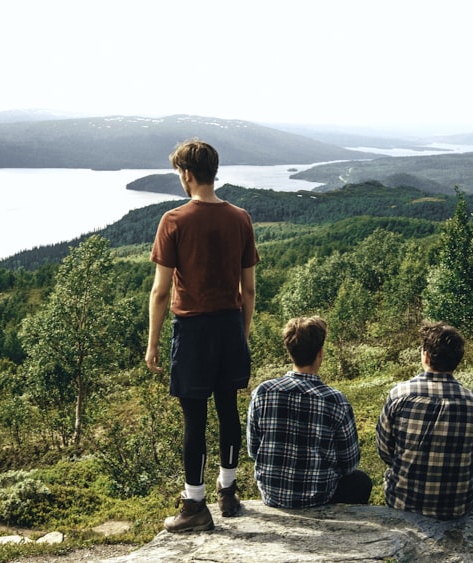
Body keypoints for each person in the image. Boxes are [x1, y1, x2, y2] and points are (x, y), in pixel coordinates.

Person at [146, 139, 259, 533]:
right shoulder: (240, 218)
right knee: (228, 410)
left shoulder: (174, 221)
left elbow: (161, 291)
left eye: (179, 172)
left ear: (188, 174)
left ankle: (195, 506)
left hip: (192, 331)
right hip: (230, 325)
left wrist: (153, 343)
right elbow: (249, 290)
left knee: (194, 419)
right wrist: (241, 334)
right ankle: (228, 493)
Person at [247, 316, 372, 508]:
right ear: (320, 353)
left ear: (289, 352)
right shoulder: (335, 400)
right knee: (361, 481)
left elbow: (254, 450)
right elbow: (350, 463)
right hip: (319, 497)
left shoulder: (263, 392)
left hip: (273, 496)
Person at [376, 321, 473, 520]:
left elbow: (385, 452)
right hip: (457, 507)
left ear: (426, 356)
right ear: (457, 360)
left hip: (403, 501)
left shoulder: (399, 395)